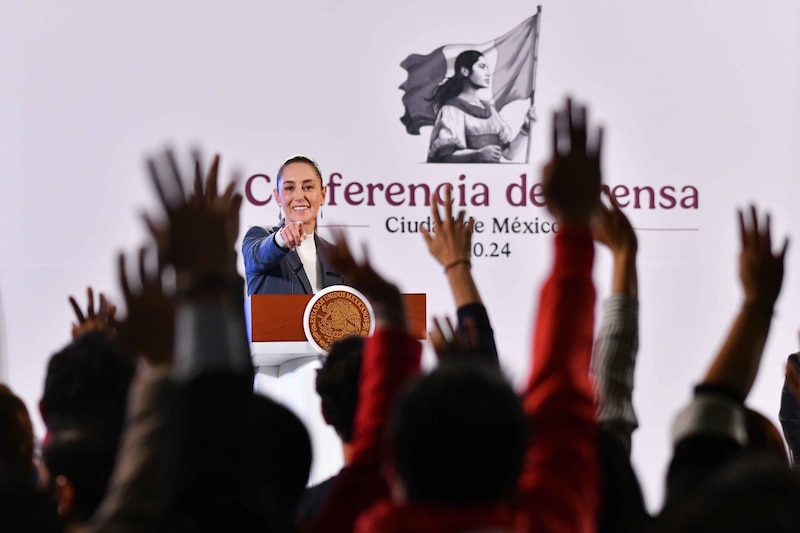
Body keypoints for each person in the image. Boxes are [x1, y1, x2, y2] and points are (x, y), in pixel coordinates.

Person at [241, 155, 343, 295]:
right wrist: (281, 238)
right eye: (289, 188)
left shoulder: (335, 256)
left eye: (308, 187)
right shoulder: (258, 236)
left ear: (323, 194)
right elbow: (258, 255)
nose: (299, 196)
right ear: (277, 196)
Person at [427, 50, 535, 163]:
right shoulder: (451, 109)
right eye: (482, 67)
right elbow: (445, 156)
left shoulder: (490, 110)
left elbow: (509, 154)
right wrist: (477, 155)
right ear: (465, 71)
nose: (488, 73)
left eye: (487, 68)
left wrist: (525, 128)